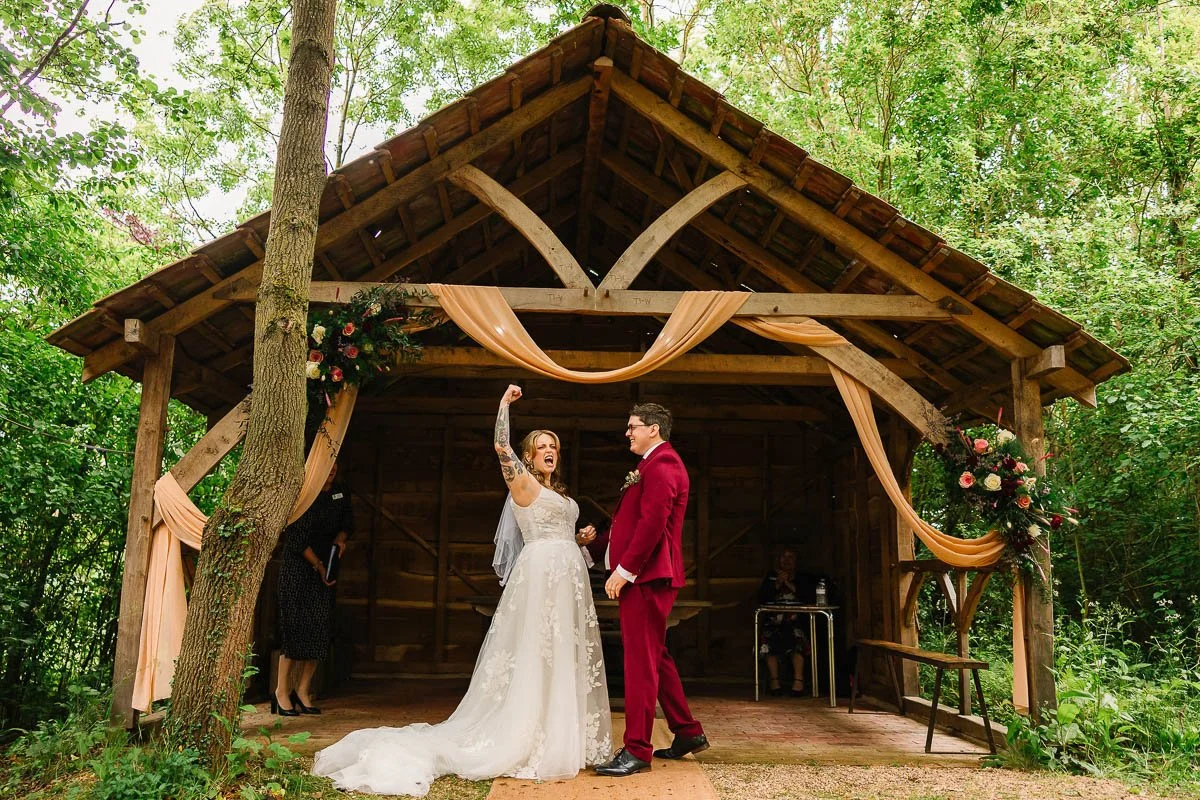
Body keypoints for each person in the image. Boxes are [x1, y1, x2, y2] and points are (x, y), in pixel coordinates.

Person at [312, 385, 612, 796]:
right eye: (542, 446)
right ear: (528, 456)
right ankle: (530, 735)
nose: (549, 451)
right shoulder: (523, 484)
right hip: (541, 578)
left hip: (567, 579)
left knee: (561, 653)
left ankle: (561, 733)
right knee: (537, 652)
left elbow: (558, 531)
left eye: (553, 447)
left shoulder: (558, 493)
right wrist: (504, 405)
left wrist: (578, 539)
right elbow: (501, 446)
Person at [583, 403, 708, 777]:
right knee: (654, 655)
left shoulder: (664, 464)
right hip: (646, 576)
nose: (628, 433)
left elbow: (653, 523)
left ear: (653, 429)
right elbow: (629, 522)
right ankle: (687, 731)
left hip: (649, 577)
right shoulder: (650, 465)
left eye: (633, 426)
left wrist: (625, 571)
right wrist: (592, 548)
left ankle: (637, 749)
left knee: (639, 661)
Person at [273, 461, 352, 716]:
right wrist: (317, 565)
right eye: (327, 464)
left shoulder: (340, 493)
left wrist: (340, 541)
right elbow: (296, 537)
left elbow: (347, 524)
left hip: (326, 567)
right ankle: (281, 692)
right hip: (298, 568)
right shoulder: (304, 495)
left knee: (320, 630)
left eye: (335, 463)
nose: (332, 468)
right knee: (294, 629)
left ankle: (303, 690)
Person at [758, 548, 810, 697]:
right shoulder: (771, 576)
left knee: (797, 639)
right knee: (769, 639)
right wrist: (778, 583)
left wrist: (787, 582)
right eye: (783, 557)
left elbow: (807, 596)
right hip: (774, 620)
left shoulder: (802, 577)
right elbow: (762, 598)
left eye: (790, 557)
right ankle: (774, 682)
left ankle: (798, 681)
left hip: (795, 620)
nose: (786, 560)